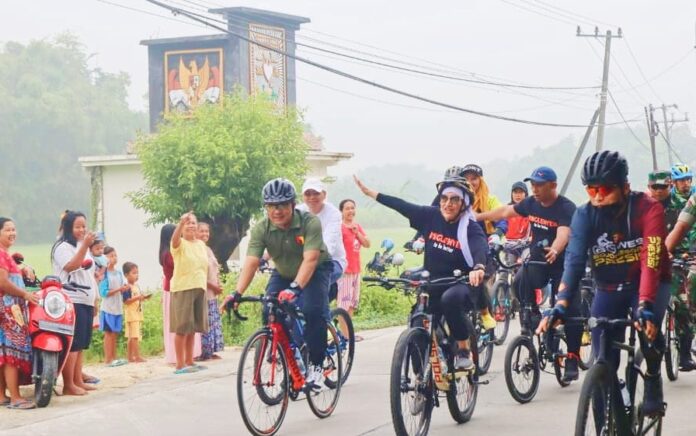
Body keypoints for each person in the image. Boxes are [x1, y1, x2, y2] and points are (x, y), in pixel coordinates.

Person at [540, 150, 670, 416]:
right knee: (604, 358)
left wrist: (645, 302)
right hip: (608, 287)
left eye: (605, 189)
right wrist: (561, 303)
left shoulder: (649, 208)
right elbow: (574, 261)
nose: (598, 196)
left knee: (649, 331)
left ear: (625, 187)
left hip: (649, 283)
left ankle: (654, 377)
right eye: (591, 189)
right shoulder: (584, 215)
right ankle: (609, 400)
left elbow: (651, 259)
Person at [354, 173, 487, 371]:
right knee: (418, 317)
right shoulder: (430, 216)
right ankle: (421, 379)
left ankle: (462, 350)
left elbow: (479, 246)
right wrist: (372, 194)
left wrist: (478, 267)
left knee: (450, 301)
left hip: (460, 282)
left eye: (454, 199)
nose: (448, 204)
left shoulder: (469, 226)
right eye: (444, 198)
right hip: (432, 280)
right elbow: (402, 205)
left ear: (463, 203)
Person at [224, 178, 333, 390]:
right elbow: (252, 262)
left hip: (315, 270)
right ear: (266, 207)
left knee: (312, 311)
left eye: (283, 205)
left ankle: (317, 365)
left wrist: (296, 288)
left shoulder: (309, 222)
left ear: (293, 204)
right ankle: (290, 358)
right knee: (269, 310)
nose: (277, 211)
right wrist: (236, 293)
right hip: (283, 271)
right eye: (272, 206)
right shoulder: (261, 229)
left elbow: (310, 259)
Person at [476, 166, 581, 382]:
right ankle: (530, 316)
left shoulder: (566, 207)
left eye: (539, 185)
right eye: (532, 184)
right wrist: (476, 217)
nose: (534, 189)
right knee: (520, 280)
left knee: (571, 307)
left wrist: (556, 248)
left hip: (562, 262)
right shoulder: (531, 203)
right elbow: (505, 212)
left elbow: (564, 233)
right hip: (538, 259)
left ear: (553, 185)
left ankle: (572, 357)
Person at [51, 210, 98, 395]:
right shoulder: (62, 247)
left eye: (84, 226)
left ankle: (78, 380)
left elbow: (90, 275)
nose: (81, 230)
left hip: (86, 298)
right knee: (73, 343)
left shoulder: (80, 245)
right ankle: (68, 384)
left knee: (82, 343)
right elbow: (71, 266)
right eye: (77, 226)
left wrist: (95, 299)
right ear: (69, 228)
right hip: (72, 298)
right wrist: (85, 246)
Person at [0, 217, 39, 409]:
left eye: (14, 229)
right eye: (7, 230)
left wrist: (23, 271)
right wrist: (25, 294)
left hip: (9, 309)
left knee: (4, 352)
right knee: (11, 353)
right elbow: (3, 282)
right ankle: (15, 397)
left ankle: (1, 395)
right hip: (8, 309)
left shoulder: (6, 255)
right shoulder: (1, 254)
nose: (12, 233)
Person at [296, 178, 347, 304]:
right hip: (305, 260)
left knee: (313, 293)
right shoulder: (298, 212)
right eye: (308, 194)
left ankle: (322, 320)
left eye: (316, 193)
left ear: (324, 195)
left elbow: (329, 245)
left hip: (332, 261)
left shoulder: (333, 214)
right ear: (303, 196)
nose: (312, 197)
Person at [170, 212, 209, 374]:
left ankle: (189, 360)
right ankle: (179, 364)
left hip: (199, 287)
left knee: (193, 327)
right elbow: (174, 240)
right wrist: (180, 224)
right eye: (188, 223)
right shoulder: (179, 244)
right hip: (182, 288)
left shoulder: (200, 244)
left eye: (193, 222)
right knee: (182, 327)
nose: (191, 225)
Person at [159, 224, 202, 365]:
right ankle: (178, 361)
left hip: (186, 287)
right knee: (180, 327)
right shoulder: (169, 253)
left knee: (190, 327)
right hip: (176, 290)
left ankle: (188, 359)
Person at [338, 199, 370, 321]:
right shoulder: (339, 228)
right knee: (343, 306)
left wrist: (357, 233)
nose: (351, 211)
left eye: (352, 208)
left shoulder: (357, 227)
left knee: (352, 305)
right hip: (345, 271)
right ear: (341, 211)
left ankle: (348, 335)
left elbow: (367, 244)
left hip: (356, 271)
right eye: (347, 208)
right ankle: (344, 337)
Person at [197, 222, 224, 361]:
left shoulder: (208, 249)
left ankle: (212, 350)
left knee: (213, 320)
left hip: (213, 292)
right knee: (205, 321)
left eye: (207, 231)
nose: (205, 234)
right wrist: (213, 286)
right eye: (201, 231)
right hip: (203, 291)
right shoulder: (197, 250)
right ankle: (203, 351)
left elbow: (215, 268)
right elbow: (199, 273)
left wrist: (218, 284)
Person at [98, 246, 128, 367]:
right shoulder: (104, 275)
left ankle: (114, 357)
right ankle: (108, 359)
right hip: (108, 308)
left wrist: (124, 289)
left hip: (117, 306)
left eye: (115, 255)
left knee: (115, 333)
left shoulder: (119, 273)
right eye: (111, 256)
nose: (114, 258)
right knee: (108, 333)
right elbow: (104, 293)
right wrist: (119, 289)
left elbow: (120, 288)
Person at [122, 262, 148, 363]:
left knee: (131, 336)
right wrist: (137, 297)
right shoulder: (127, 287)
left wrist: (142, 298)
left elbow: (136, 299)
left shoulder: (136, 286)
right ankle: (137, 356)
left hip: (136, 314)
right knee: (135, 337)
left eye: (137, 273)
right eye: (133, 273)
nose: (136, 275)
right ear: (126, 275)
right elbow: (126, 301)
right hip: (132, 315)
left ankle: (129, 357)